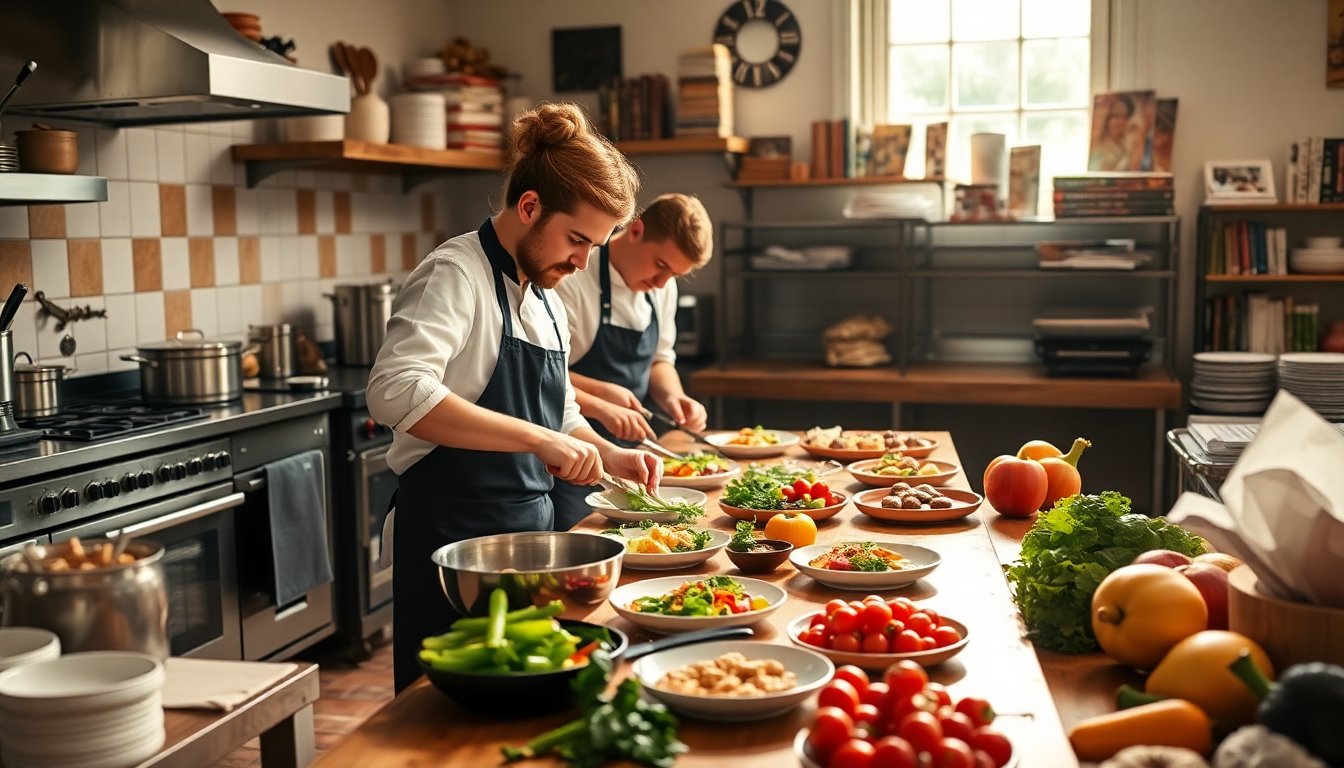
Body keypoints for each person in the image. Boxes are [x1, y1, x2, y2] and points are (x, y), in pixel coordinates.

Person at [366, 103, 660, 692]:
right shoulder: (455, 273)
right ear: (529, 207)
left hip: (530, 541)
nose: (581, 262)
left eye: (592, 247)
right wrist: (539, 438)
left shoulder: (545, 293)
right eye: (577, 239)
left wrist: (608, 455)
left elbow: (560, 411)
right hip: (453, 548)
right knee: (439, 723)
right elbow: (395, 390)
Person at [547, 193, 714, 529]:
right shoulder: (575, 277)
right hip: (574, 454)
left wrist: (673, 397)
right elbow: (545, 372)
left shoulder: (661, 287)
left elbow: (659, 360)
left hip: (633, 454)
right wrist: (603, 396)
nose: (662, 283)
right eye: (661, 266)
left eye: (675, 276)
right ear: (636, 230)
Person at [1088, 94, 1138, 172]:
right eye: (1116, 116)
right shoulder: (1098, 149)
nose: (1121, 122)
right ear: (1107, 119)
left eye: (1124, 116)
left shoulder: (1127, 145)